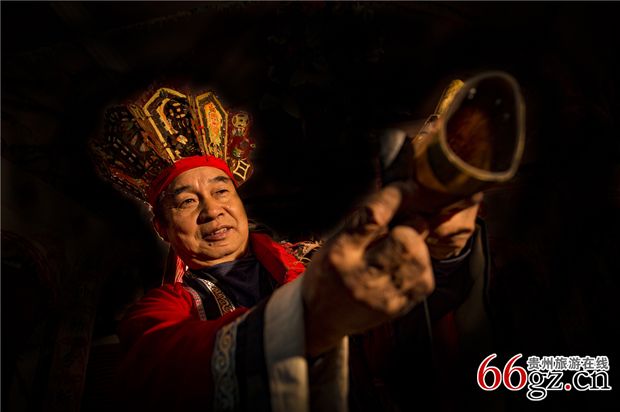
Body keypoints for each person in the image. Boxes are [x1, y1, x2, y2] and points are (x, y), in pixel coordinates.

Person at [91, 86, 489, 412]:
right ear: (163, 227)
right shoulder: (163, 308)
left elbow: (394, 331)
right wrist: (308, 319)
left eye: (221, 191)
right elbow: (158, 367)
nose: (212, 211)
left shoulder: (314, 261)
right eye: (187, 201)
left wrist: (440, 254)